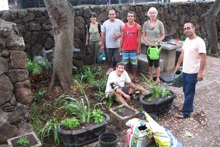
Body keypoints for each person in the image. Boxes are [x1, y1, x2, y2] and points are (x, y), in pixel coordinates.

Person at [175, 22, 206, 119]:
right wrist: (178, 64)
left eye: (188, 28)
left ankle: (186, 112)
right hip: (185, 70)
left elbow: (203, 58)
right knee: (185, 90)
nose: (186, 30)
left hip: (193, 72)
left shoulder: (199, 42)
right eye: (185, 29)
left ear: (194, 28)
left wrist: (200, 72)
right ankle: (188, 106)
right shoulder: (187, 40)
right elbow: (183, 53)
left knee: (189, 92)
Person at [142, 7, 165, 84]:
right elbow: (143, 35)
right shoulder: (145, 24)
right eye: (151, 13)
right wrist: (148, 43)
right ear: (149, 14)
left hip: (156, 46)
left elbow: (163, 35)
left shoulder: (160, 24)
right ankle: (151, 76)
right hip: (148, 46)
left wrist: (157, 41)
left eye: (154, 13)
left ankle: (158, 78)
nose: (152, 14)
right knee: (150, 62)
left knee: (156, 63)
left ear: (156, 14)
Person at [120, 11, 141, 83]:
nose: (130, 17)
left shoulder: (138, 26)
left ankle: (134, 76)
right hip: (125, 49)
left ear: (134, 17)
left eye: (132, 16)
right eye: (129, 16)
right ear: (127, 17)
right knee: (125, 65)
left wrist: (138, 48)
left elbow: (139, 39)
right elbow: (122, 38)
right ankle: (124, 78)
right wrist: (120, 48)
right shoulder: (124, 26)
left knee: (134, 65)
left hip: (134, 50)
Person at [101, 9, 124, 75]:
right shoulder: (105, 23)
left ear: (115, 15)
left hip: (117, 45)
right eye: (110, 14)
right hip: (108, 45)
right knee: (109, 59)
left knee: (118, 59)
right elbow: (103, 34)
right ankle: (111, 69)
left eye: (113, 14)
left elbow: (124, 32)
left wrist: (118, 35)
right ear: (108, 15)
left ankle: (118, 71)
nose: (112, 15)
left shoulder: (120, 22)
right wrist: (102, 44)